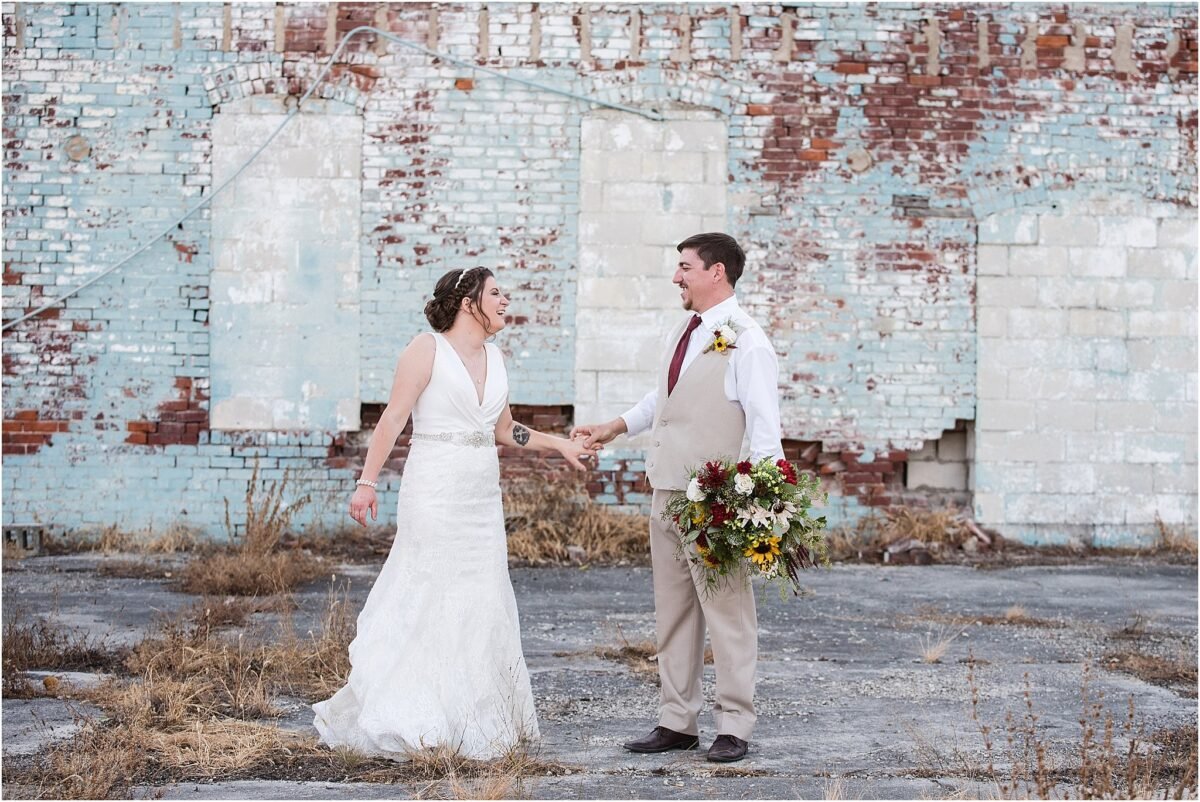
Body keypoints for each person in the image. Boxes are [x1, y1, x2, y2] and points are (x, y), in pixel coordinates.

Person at [313, 266, 596, 760]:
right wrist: (366, 483)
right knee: (431, 590)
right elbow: (393, 418)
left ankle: (470, 719)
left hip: (481, 498)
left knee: (482, 597)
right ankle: (417, 716)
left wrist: (560, 445)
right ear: (469, 302)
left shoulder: (496, 357)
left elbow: (505, 430)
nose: (506, 301)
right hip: (435, 490)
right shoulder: (425, 350)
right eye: (496, 293)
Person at [571, 233, 783, 763]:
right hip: (666, 491)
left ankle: (734, 724)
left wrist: (760, 507)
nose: (676, 277)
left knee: (729, 614)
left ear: (717, 272)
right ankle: (677, 721)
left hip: (715, 503)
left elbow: (765, 428)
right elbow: (664, 398)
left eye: (685, 267)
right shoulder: (684, 331)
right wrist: (615, 426)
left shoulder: (748, 341)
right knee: (674, 613)